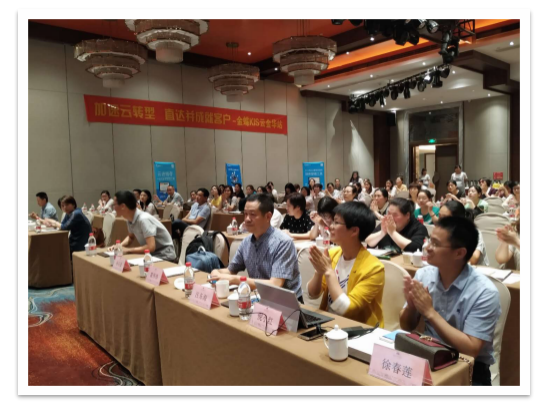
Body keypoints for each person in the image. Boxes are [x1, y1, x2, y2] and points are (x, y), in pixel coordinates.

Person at [399, 217, 500, 386]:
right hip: (428, 354)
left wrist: (430, 313)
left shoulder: (484, 292)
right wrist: (411, 307)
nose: (427, 247)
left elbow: (471, 350)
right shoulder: (424, 275)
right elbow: (406, 326)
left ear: (459, 253)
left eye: (435, 244)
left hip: (470, 368)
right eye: (429, 240)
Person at [209, 194, 303, 300]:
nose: (247, 219)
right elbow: (230, 270)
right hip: (258, 298)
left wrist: (235, 280)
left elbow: (275, 285)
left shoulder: (283, 243)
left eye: (252, 214)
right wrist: (217, 272)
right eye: (245, 214)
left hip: (286, 302)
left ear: (268, 217)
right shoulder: (246, 242)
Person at [307, 202, 385, 326]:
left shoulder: (374, 268)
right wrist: (319, 272)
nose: (331, 226)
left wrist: (328, 271)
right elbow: (312, 294)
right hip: (330, 324)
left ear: (354, 231)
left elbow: (346, 309)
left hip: (359, 330)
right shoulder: (332, 254)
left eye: (336, 222)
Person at [110, 191, 176, 261]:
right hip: (151, 255)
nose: (113, 208)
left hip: (164, 255)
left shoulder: (143, 219)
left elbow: (151, 247)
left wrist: (128, 250)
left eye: (114, 205)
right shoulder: (129, 219)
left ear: (123, 206)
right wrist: (119, 246)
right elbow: (130, 237)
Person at [435, 200, 489, 266]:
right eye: (439, 216)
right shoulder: (441, 231)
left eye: (444, 218)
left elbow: (474, 259)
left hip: (475, 269)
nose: (440, 221)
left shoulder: (472, 232)